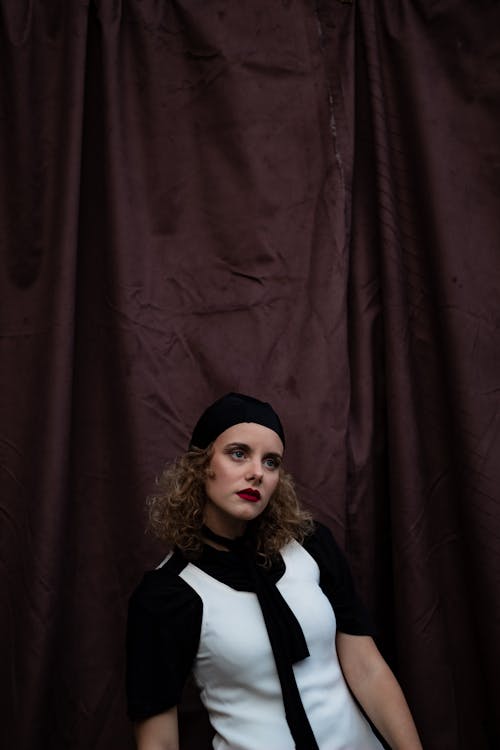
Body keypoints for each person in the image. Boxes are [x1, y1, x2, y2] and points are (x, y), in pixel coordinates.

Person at [126, 393, 423, 750]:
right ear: (201, 464)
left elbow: (367, 667)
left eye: (271, 462)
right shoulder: (168, 594)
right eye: (238, 453)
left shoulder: (311, 546)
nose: (257, 473)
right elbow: (157, 742)